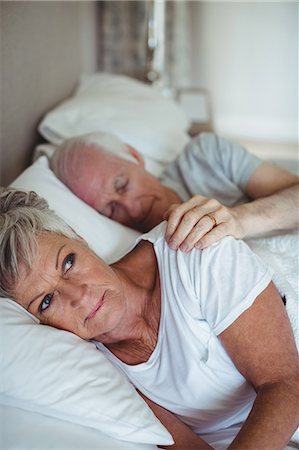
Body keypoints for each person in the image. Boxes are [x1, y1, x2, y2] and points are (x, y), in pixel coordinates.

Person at [1, 187, 298, 450]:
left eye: (68, 262)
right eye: (47, 301)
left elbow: (286, 385)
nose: (78, 295)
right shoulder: (91, 368)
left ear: (77, 236)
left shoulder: (190, 250)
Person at [50, 132, 299, 252]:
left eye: (122, 184)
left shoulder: (206, 156)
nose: (133, 208)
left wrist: (238, 220)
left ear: (134, 156)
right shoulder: (143, 252)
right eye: (110, 209)